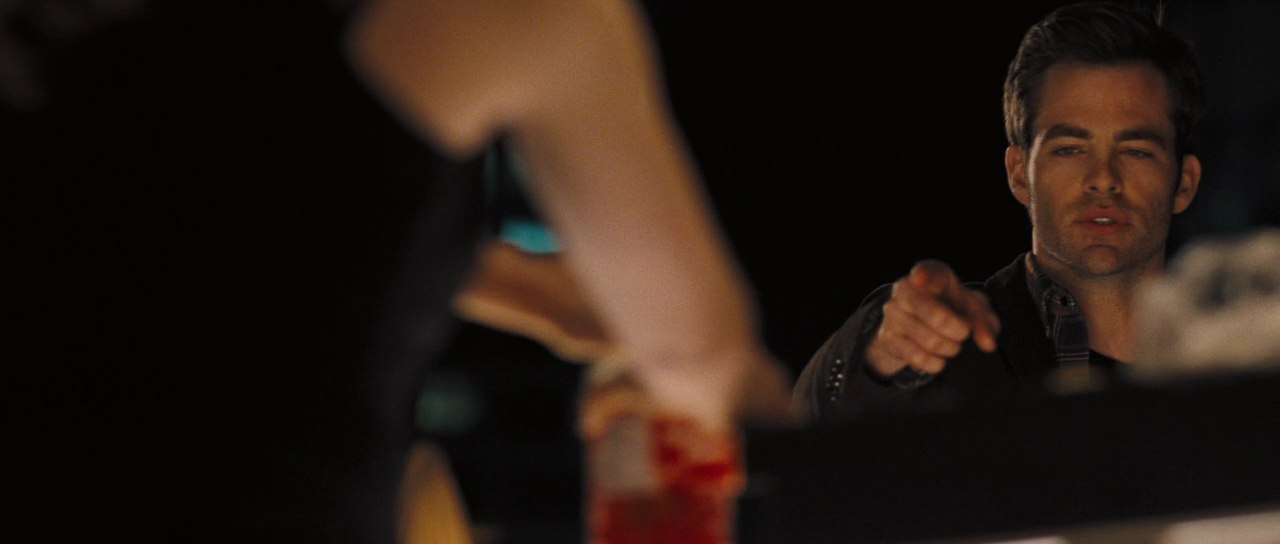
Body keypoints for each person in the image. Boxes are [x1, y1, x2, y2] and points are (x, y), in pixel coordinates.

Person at [4, 0, 791, 541]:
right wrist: (711, 392)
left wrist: (536, 295)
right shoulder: (507, 20)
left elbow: (200, 220)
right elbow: (693, 365)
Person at [792, 1, 1204, 422]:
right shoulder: (948, 350)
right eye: (1069, 149)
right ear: (1019, 174)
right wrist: (882, 353)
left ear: (1185, 182)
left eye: (1136, 151)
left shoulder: (1229, 354)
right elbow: (809, 424)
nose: (1103, 178)